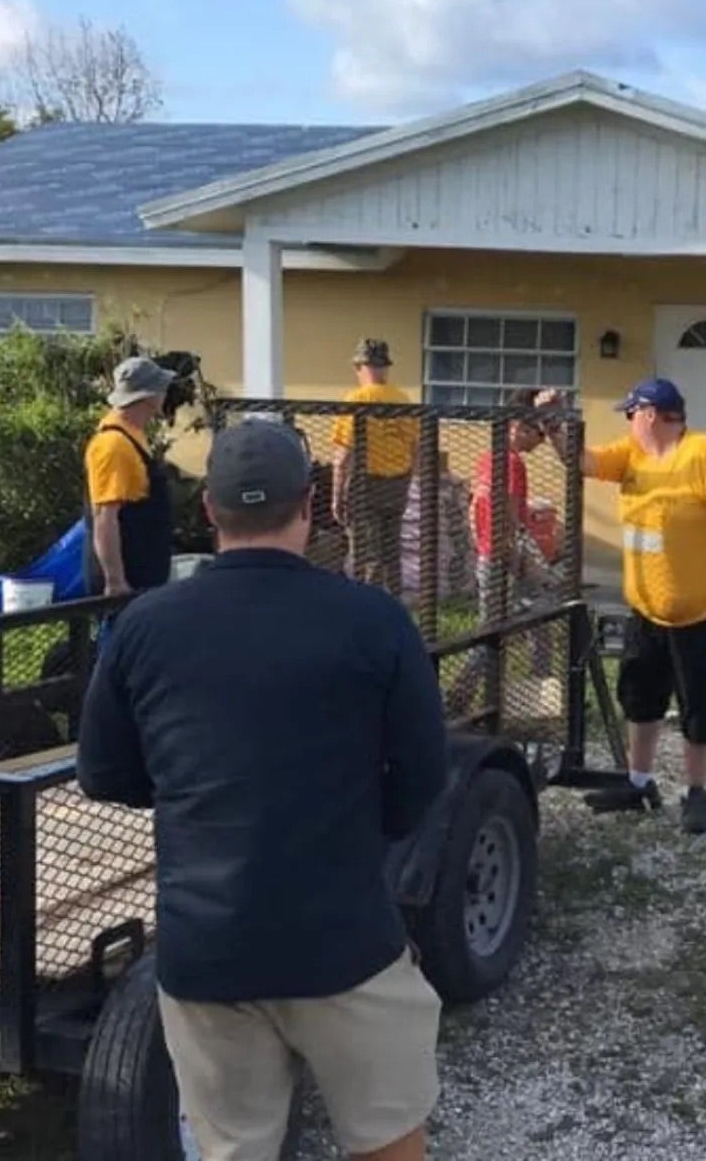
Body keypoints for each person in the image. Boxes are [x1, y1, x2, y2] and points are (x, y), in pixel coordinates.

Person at [76, 417, 449, 1161]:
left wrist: (198, 790)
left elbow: (102, 772)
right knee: (387, 1145)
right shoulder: (374, 620)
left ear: (209, 512)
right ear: (310, 503)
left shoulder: (144, 626)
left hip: (208, 953)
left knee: (233, 1150)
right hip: (347, 944)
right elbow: (423, 777)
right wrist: (363, 828)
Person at [537, 377, 706, 835]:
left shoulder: (703, 454)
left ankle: (697, 792)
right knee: (640, 698)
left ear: (650, 415)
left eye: (630, 414)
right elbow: (580, 462)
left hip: (703, 612)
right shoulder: (632, 454)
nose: (626, 422)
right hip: (647, 610)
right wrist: (552, 423)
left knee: (700, 704)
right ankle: (640, 784)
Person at [448, 388, 563, 716]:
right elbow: (509, 514)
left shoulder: (488, 459)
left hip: (490, 554)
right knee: (506, 632)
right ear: (518, 426)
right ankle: (467, 700)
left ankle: (520, 700)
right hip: (504, 559)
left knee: (518, 630)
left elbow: (477, 509)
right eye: (537, 434)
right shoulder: (512, 464)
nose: (539, 443)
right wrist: (520, 561)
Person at [330, 338, 421, 592]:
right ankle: (394, 601)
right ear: (385, 368)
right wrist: (407, 479)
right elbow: (416, 449)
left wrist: (337, 495)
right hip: (398, 482)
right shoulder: (403, 400)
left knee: (365, 552)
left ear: (360, 367)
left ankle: (365, 606)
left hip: (365, 484)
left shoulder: (355, 400)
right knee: (391, 551)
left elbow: (343, 456)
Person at [84, 355, 177, 600]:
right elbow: (105, 517)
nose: (166, 393)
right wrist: (115, 582)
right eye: (161, 388)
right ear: (148, 396)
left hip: (145, 576)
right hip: (128, 582)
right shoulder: (113, 444)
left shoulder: (133, 435)